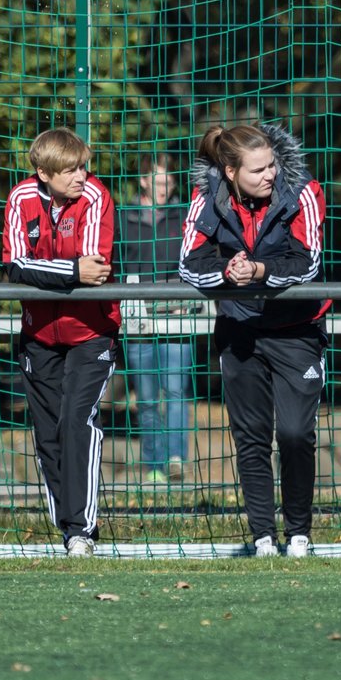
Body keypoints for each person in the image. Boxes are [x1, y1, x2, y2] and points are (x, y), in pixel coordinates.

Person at [179, 123, 328, 558]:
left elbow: (307, 261)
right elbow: (190, 263)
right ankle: (263, 536)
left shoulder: (303, 192)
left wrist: (259, 272)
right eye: (258, 169)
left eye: (272, 166)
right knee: (251, 437)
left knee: (298, 433)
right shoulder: (206, 197)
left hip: (296, 329)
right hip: (239, 330)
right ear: (229, 171)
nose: (270, 175)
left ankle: (298, 532)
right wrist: (228, 272)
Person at [2, 127, 120, 558]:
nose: (80, 176)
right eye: (70, 170)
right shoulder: (20, 199)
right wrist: (68, 273)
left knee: (76, 422)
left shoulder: (96, 197)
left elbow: (94, 269)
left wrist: (52, 271)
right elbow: (14, 266)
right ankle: (64, 524)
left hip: (92, 333)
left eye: (83, 166)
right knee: (48, 432)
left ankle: (80, 531)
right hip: (37, 335)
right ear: (42, 172)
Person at [118, 153, 194, 484]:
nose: (164, 187)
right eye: (158, 180)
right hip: (137, 318)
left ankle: (176, 459)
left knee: (176, 391)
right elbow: (116, 267)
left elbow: (196, 260)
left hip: (177, 314)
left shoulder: (184, 216)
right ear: (144, 181)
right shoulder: (124, 218)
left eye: (169, 181)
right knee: (146, 397)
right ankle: (153, 467)